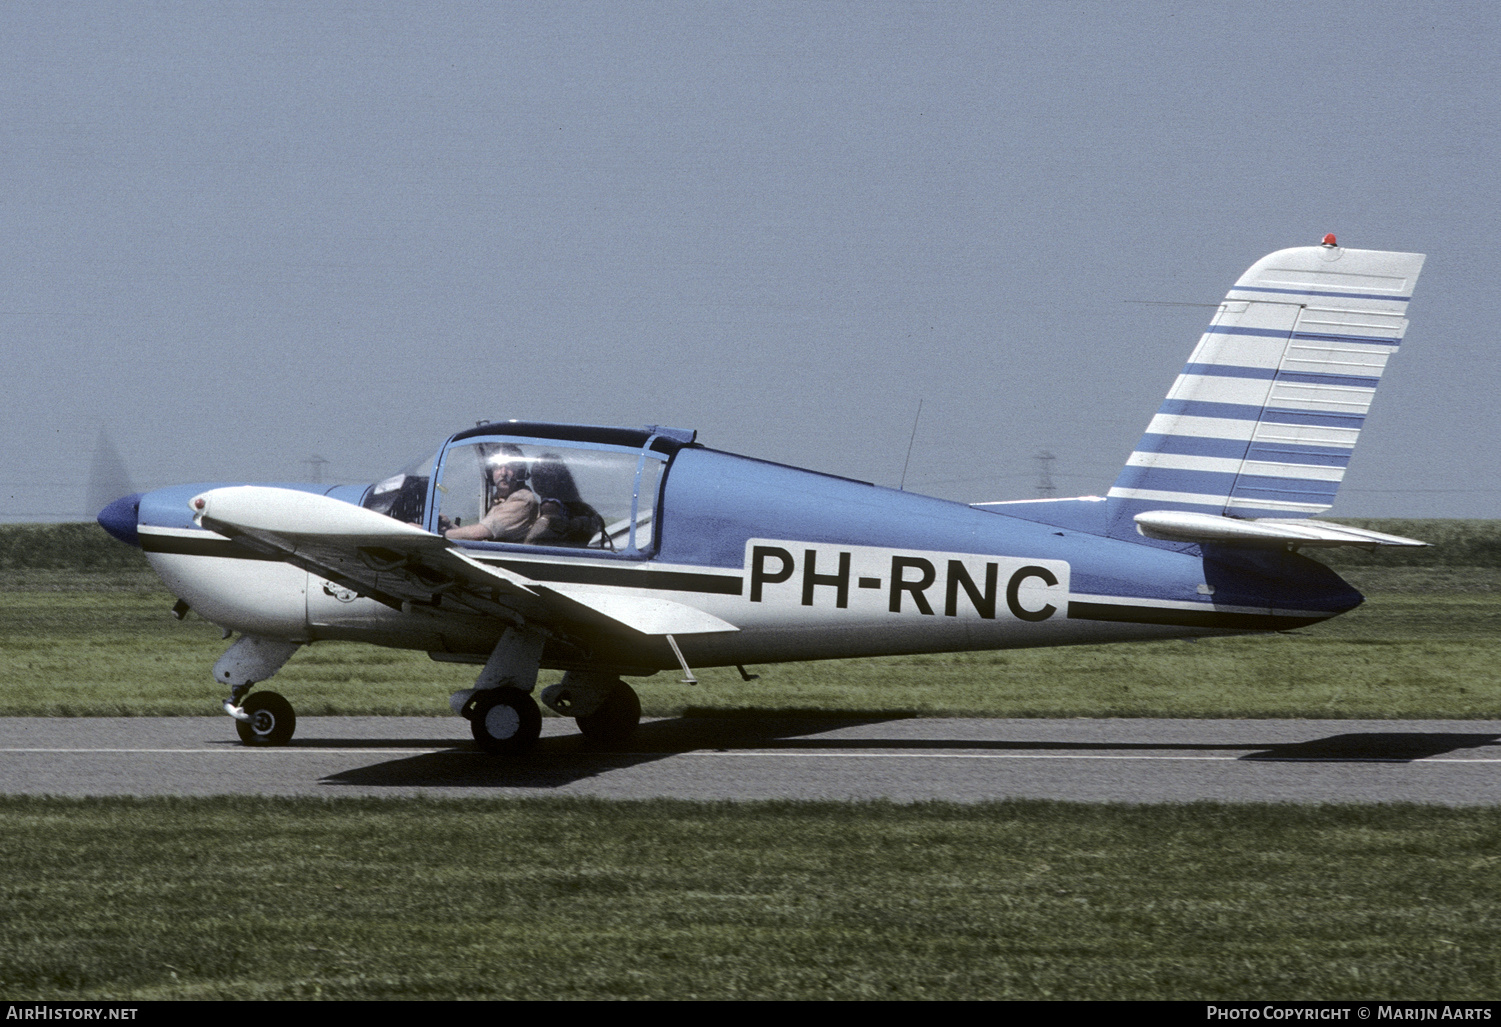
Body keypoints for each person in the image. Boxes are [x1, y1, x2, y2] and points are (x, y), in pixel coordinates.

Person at [442, 444, 539, 542]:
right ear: (490, 473)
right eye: (497, 467)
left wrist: (441, 534)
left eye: (509, 467)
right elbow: (477, 532)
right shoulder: (500, 499)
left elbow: (479, 533)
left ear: (520, 472)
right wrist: (449, 525)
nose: (503, 473)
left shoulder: (522, 500)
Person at [524, 452, 607, 548]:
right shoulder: (581, 510)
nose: (536, 481)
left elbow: (531, 544)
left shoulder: (549, 506)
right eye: (534, 475)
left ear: (556, 479)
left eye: (540, 476)